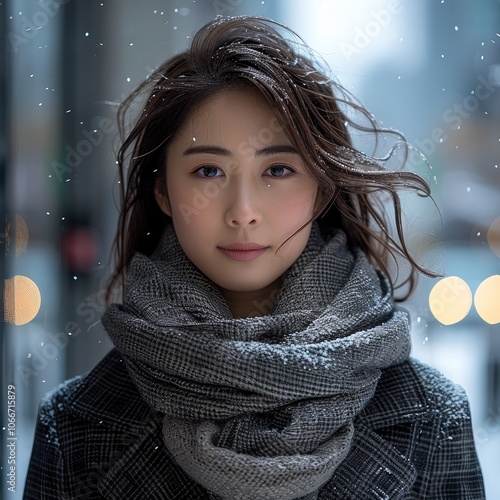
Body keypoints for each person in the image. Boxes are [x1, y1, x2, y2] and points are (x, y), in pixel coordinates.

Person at [25, 15, 485, 499]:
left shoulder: (432, 420)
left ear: (322, 189)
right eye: (208, 170)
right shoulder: (76, 426)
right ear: (163, 191)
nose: (242, 212)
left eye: (278, 170)